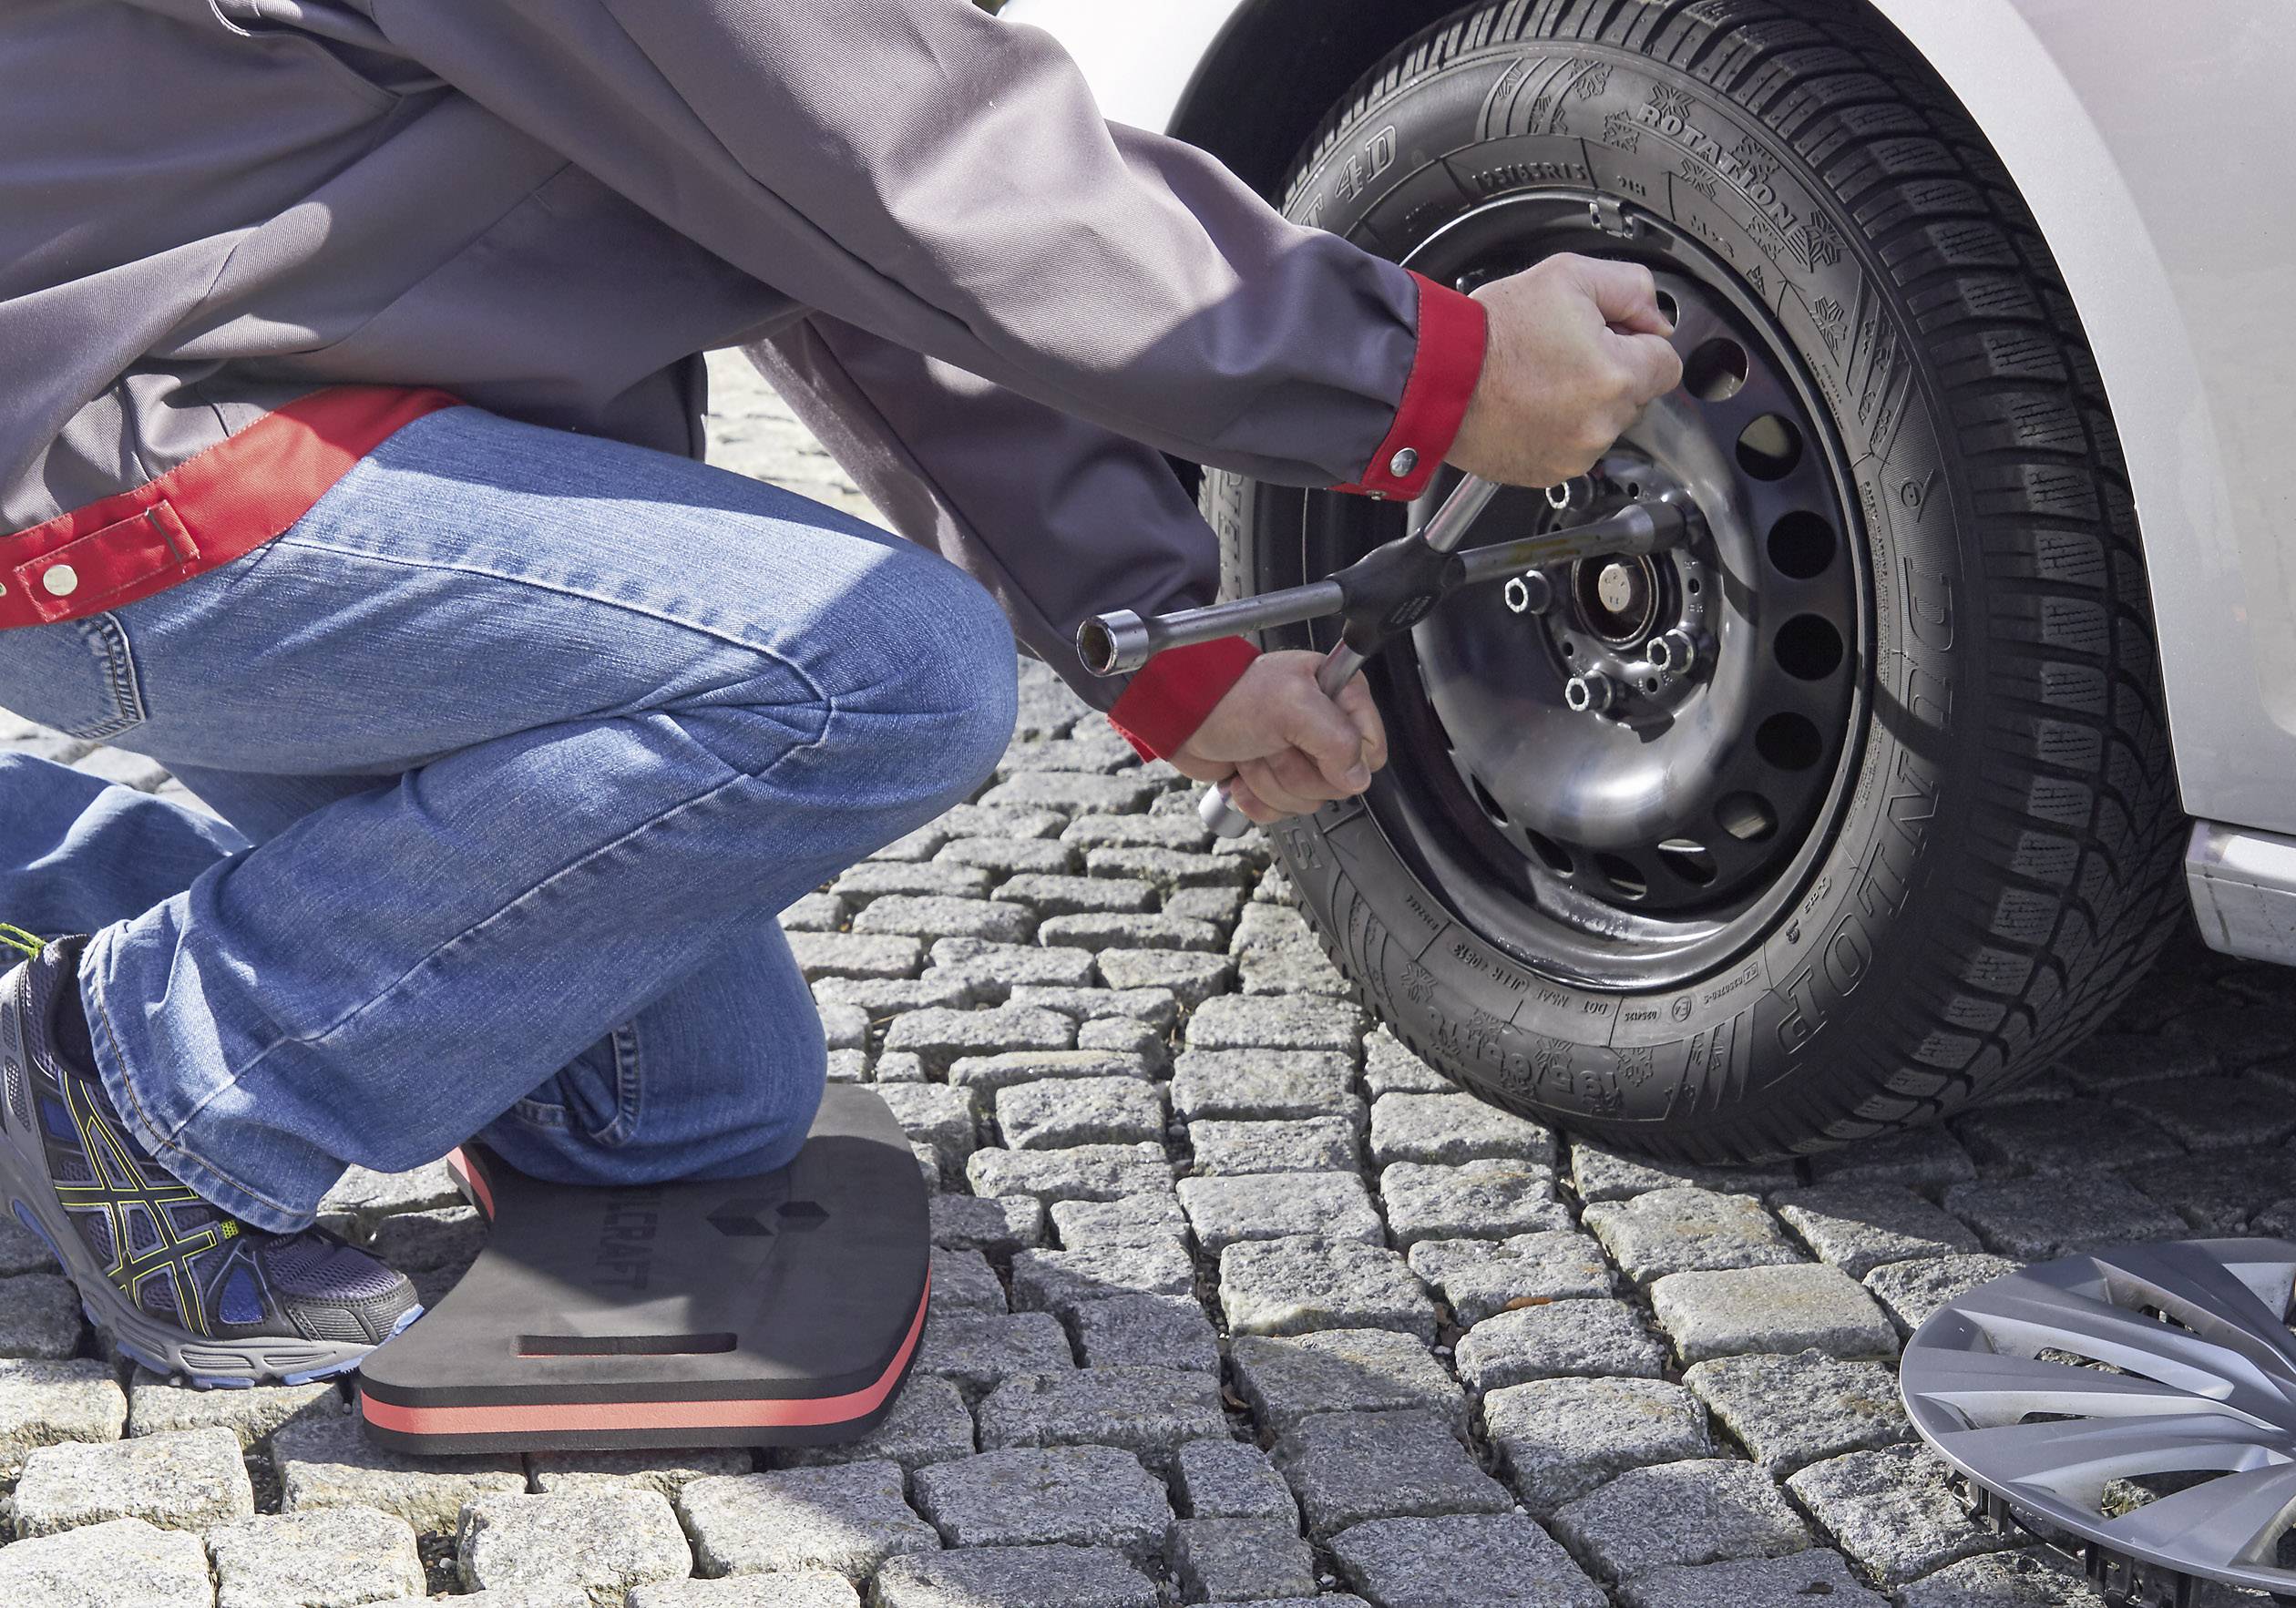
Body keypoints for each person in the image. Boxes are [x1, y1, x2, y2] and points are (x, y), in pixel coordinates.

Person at [0, 0, 1681, 1385]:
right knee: (882, 675)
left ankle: (35, 886)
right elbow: (907, 163)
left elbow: (842, 234)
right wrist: (1431, 368)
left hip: (278, 452)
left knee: (676, 1106)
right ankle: (155, 1081)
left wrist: (1178, 638)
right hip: (122, 457)